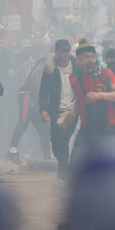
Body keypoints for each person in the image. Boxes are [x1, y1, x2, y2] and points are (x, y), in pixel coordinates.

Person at [68, 40, 115, 164]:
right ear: (78, 59)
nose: (90, 60)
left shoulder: (105, 73)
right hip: (86, 127)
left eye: (93, 57)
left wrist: (99, 95)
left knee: (101, 168)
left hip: (105, 128)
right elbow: (81, 98)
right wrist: (72, 113)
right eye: (86, 57)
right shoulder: (74, 77)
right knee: (74, 165)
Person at [39, 39, 78, 178]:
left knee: (63, 141)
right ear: (56, 53)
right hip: (55, 110)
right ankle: (64, 168)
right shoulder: (50, 69)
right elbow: (43, 91)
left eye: (67, 51)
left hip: (71, 111)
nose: (65, 54)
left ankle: (63, 172)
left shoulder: (76, 67)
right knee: (55, 145)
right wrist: (43, 109)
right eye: (62, 51)